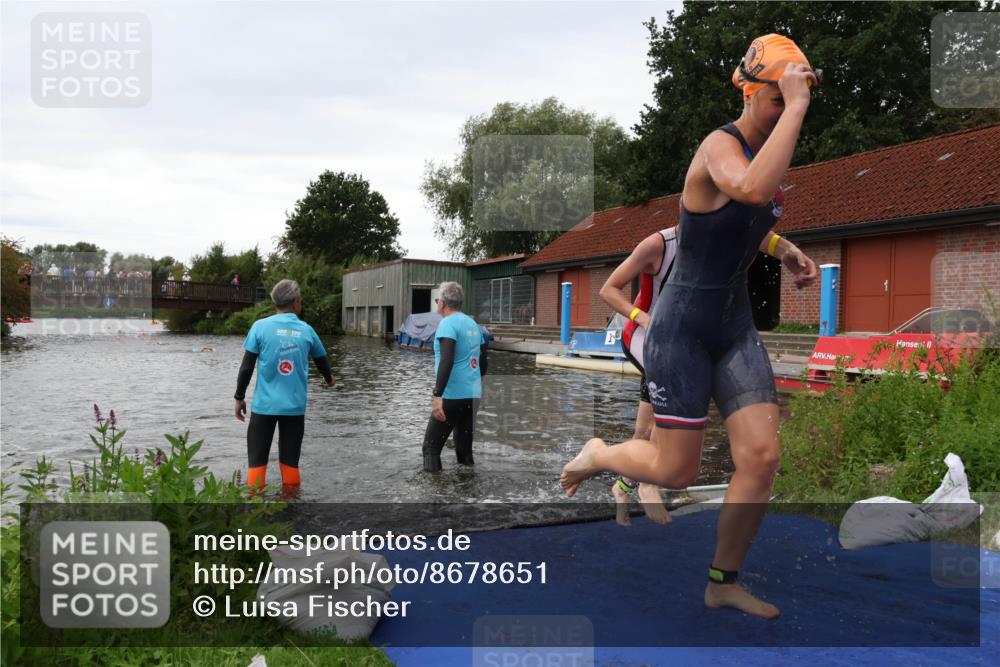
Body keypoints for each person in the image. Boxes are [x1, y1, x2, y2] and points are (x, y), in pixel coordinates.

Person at [561, 33, 820, 619]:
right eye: (778, 98)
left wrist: (787, 250)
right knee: (676, 469)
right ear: (752, 92)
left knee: (761, 456)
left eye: (794, 99)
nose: (787, 109)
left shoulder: (769, 153)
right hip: (678, 328)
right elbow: (747, 190)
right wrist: (798, 105)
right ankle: (602, 453)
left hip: (732, 325)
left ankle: (723, 580)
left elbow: (746, 220)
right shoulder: (717, 146)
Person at [599, 226, 678, 526]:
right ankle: (648, 483)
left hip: (674, 344)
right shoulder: (657, 244)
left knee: (647, 429)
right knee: (664, 415)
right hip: (642, 336)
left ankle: (622, 486)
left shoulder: (710, 248)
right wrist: (643, 318)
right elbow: (607, 289)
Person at [234, 279, 334, 489]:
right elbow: (322, 362)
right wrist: (329, 379)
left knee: (257, 466)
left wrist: (239, 398)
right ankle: (291, 508)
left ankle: (254, 510)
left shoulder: (259, 327)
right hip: (294, 409)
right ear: (296, 302)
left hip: (264, 408)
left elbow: (246, 368)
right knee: (290, 465)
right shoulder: (306, 330)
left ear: (275, 302)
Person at [422, 281, 488, 473]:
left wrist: (437, 395)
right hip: (473, 395)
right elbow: (483, 364)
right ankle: (468, 495)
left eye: (437, 300)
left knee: (431, 449)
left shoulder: (446, 324)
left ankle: (436, 496)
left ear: (442, 303)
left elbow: (447, 360)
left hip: (452, 396)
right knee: (464, 453)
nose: (437, 304)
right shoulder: (474, 325)